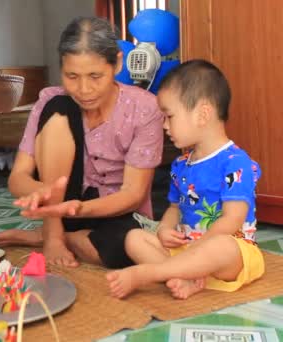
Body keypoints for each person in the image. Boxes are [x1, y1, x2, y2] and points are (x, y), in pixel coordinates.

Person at [0, 16, 164, 269]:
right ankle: (52, 236)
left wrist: (78, 209)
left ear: (117, 63)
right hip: (60, 211)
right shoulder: (50, 101)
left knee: (127, 250)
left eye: (95, 76)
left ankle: (60, 238)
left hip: (116, 214)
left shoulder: (144, 108)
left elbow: (132, 194)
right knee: (58, 107)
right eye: (72, 76)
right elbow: (17, 177)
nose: (84, 89)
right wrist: (39, 191)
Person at [106, 60, 264, 299]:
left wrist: (197, 250)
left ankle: (149, 274)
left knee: (221, 247)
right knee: (134, 238)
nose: (165, 126)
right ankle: (182, 276)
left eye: (169, 116)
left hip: (230, 253)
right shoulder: (181, 165)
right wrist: (165, 229)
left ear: (203, 114)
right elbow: (174, 207)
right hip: (187, 249)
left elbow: (232, 220)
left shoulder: (235, 162)